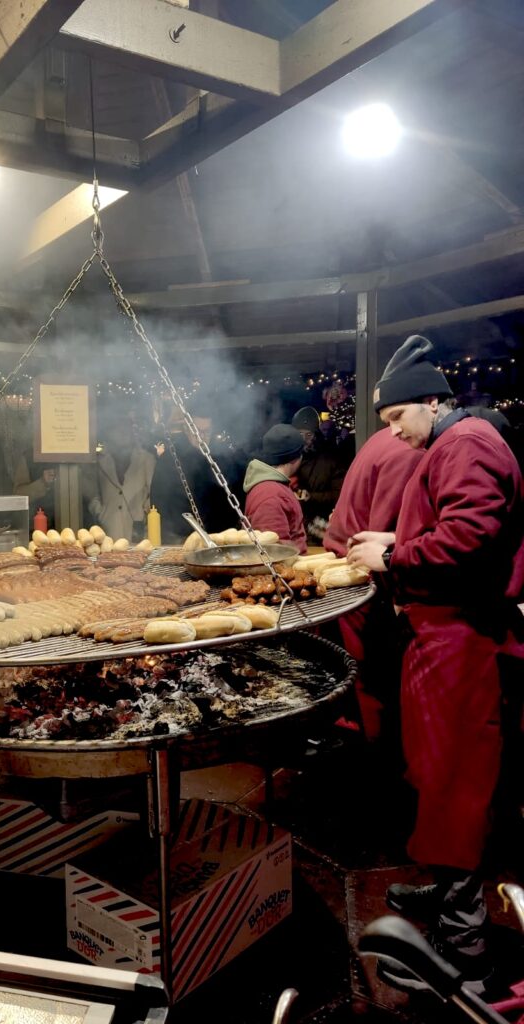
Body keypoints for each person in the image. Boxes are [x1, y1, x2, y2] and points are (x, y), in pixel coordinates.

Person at [347, 334, 524, 996]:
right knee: (434, 775)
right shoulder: (450, 444)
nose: (394, 433)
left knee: (455, 785)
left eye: (395, 418)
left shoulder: (468, 440)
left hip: (462, 642)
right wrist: (396, 537)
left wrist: (394, 559)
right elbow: (456, 522)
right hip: (439, 638)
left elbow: (473, 537)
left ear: (429, 401)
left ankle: (465, 953)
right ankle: (449, 890)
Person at [324, 428, 424, 741]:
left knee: (363, 679)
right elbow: (383, 528)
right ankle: (383, 766)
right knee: (376, 682)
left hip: (348, 567)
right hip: (363, 578)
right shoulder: (410, 450)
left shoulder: (385, 439)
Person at [150, 403, 241, 544]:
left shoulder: (222, 458)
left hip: (220, 539)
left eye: (207, 432)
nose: (202, 437)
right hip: (182, 541)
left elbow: (233, 498)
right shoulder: (170, 461)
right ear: (186, 429)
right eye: (197, 431)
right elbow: (159, 504)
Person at [89, 417, 155, 542]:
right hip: (109, 530)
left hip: (138, 530)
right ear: (108, 433)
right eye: (118, 428)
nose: (123, 432)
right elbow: (92, 493)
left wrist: (144, 513)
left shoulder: (146, 459)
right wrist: (100, 512)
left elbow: (153, 493)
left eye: (126, 428)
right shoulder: (99, 461)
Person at [243, 425, 307, 552]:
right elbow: (274, 552)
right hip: (286, 569)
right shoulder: (271, 495)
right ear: (296, 458)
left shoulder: (275, 486)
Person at [291, 406, 346, 541]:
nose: (304, 440)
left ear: (316, 435)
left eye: (308, 435)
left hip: (320, 526)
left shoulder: (332, 460)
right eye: (299, 435)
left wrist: (311, 497)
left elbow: (339, 495)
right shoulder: (290, 459)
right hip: (295, 527)